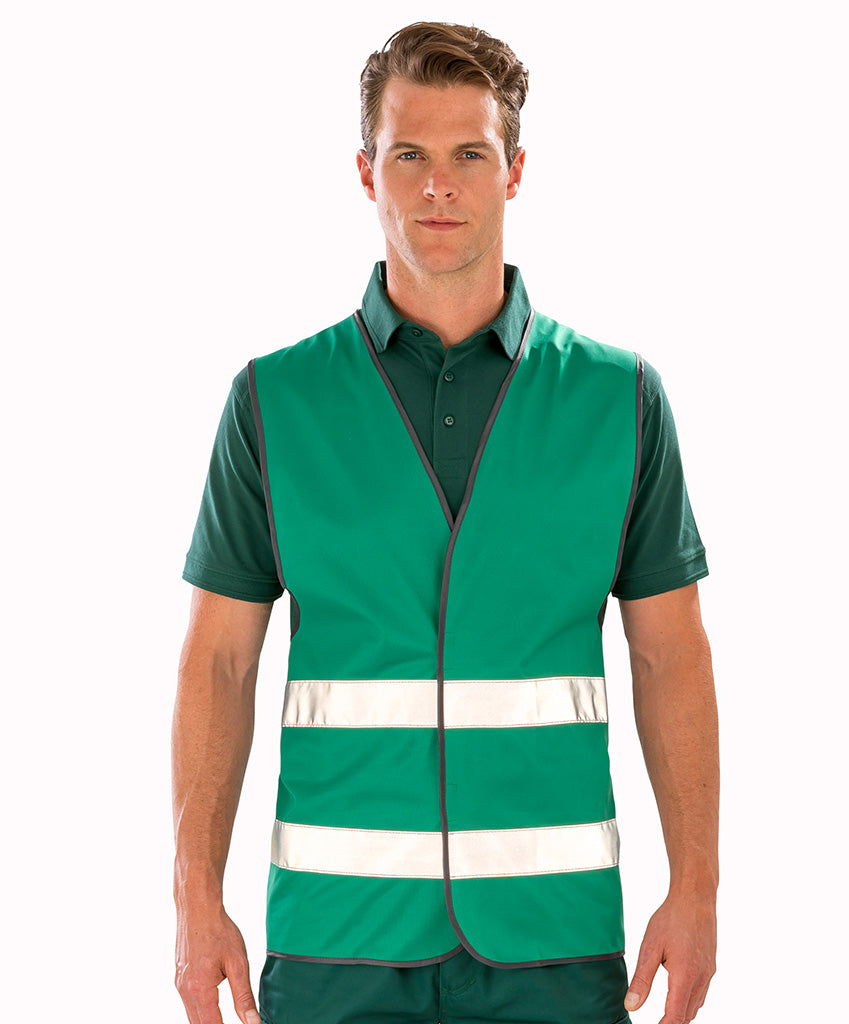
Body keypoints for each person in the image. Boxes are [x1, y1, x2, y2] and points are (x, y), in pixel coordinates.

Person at [173, 21, 719, 1024]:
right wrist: (192, 899)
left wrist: (698, 890)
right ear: (364, 171)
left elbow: (670, 655)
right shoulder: (272, 403)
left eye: (469, 154)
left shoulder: (621, 401)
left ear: (515, 171)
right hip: (336, 944)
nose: (437, 186)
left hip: (553, 942)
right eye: (407, 155)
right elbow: (219, 662)